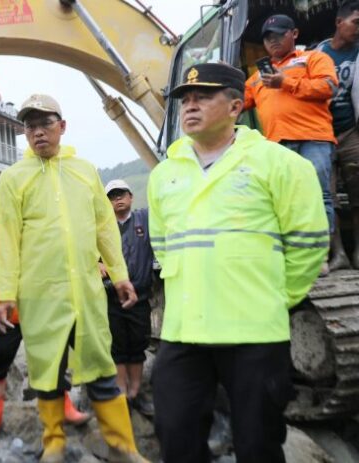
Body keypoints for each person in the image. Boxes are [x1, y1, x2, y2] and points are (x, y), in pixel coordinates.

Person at [150, 62, 328, 463]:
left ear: (235, 107)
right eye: (185, 99)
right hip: (184, 331)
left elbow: (309, 242)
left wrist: (274, 297)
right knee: (175, 435)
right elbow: (163, 247)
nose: (189, 106)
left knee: (258, 444)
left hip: (254, 333)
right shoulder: (165, 175)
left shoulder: (280, 165)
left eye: (203, 96)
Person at [0, 94, 144, 463]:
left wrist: (120, 274)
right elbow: (7, 237)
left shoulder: (85, 171)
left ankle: (123, 447)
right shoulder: (14, 178)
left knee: (102, 367)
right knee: (47, 371)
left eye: (45, 123)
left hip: (87, 292)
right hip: (40, 294)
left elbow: (104, 226)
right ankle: (54, 442)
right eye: (29, 126)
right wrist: (4, 292)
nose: (38, 132)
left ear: (62, 126)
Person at [0, 217, 90, 442]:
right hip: (6, 312)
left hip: (42, 306)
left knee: (52, 359)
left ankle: (64, 407)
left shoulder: (41, 224)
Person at [244, 13, 338, 274]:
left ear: (294, 34)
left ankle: (320, 257)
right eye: (267, 38)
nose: (272, 41)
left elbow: (328, 87)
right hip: (277, 145)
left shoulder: (314, 58)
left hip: (314, 139)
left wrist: (285, 82)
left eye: (279, 35)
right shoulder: (256, 78)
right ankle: (294, 255)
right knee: (285, 201)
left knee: (318, 196)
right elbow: (237, 102)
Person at [103, 179, 154, 417]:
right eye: (112, 196)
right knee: (117, 347)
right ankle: (121, 393)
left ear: (131, 196)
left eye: (122, 194)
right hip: (112, 298)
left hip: (140, 297)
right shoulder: (102, 228)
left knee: (138, 346)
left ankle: (136, 391)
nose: (118, 199)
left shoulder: (145, 220)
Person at [316, 2, 359, 270]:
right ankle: (339, 253)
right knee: (325, 197)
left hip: (351, 133)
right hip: (320, 135)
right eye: (356, 22)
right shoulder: (316, 54)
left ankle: (357, 253)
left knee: (358, 195)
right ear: (339, 22)